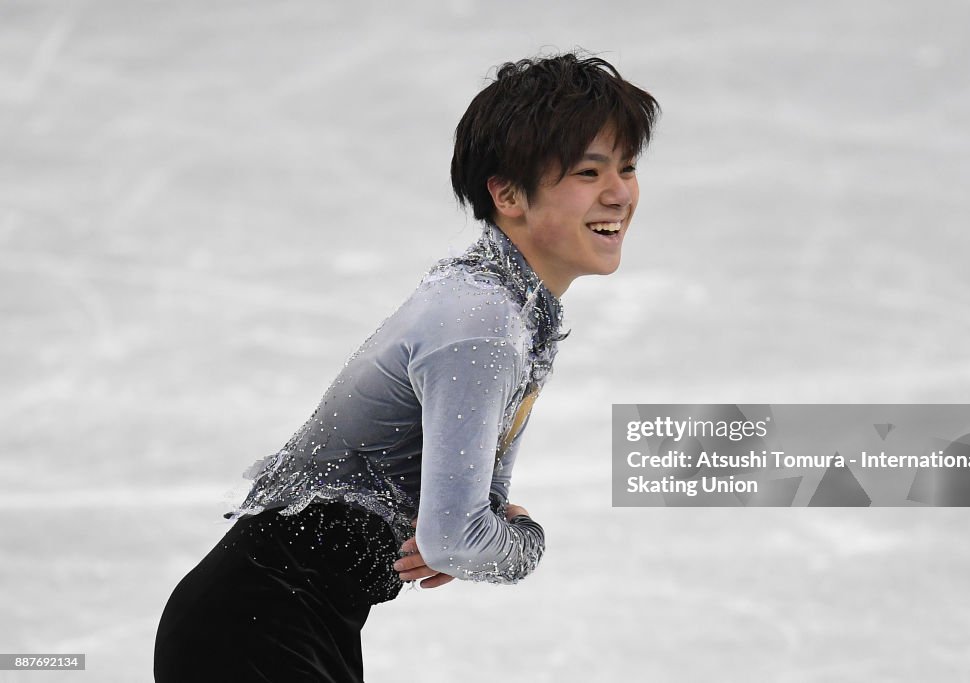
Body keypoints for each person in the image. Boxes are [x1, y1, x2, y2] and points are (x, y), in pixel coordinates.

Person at [154, 51, 659, 682]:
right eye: (589, 172)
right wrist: (525, 542)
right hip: (252, 631)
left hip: (295, 624)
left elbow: (473, 511)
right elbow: (458, 540)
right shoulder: (484, 322)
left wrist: (474, 529)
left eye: (629, 167)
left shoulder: (515, 308)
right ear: (507, 194)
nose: (620, 194)